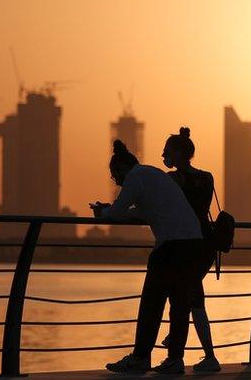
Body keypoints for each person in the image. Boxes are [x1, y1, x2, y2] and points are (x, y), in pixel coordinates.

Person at [91, 139, 206, 375]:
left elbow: (118, 211)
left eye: (115, 177)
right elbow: (138, 212)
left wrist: (102, 212)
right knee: (179, 305)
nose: (117, 182)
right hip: (193, 244)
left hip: (171, 247)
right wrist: (112, 210)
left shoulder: (135, 177)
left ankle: (140, 357)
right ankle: (175, 360)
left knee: (151, 303)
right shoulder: (153, 175)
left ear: (121, 170)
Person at [160, 127, 221, 373]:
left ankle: (179, 353)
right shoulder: (207, 177)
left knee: (185, 297)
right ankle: (206, 355)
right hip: (206, 243)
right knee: (194, 298)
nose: (164, 154)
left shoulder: (174, 179)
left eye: (167, 150)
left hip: (185, 244)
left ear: (177, 153)